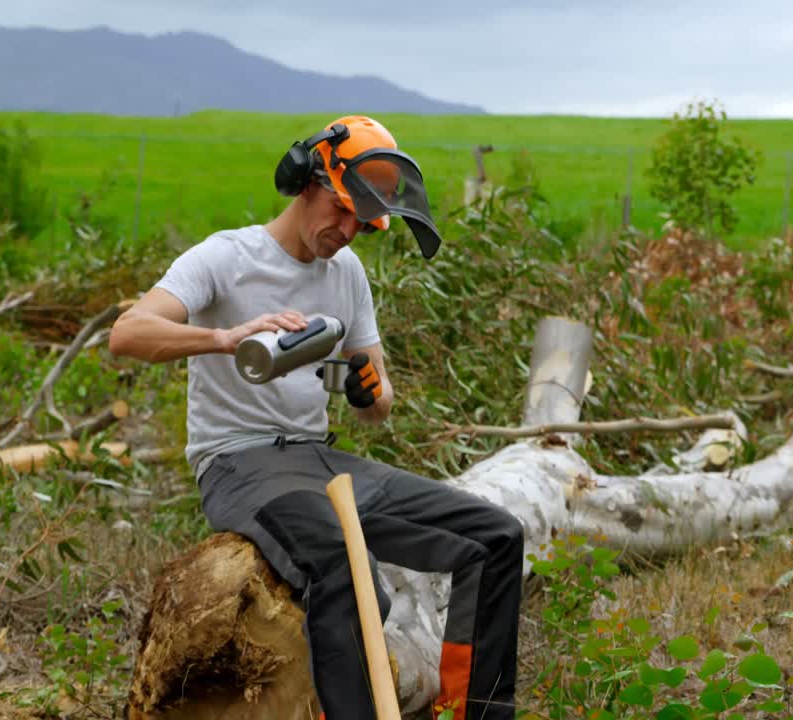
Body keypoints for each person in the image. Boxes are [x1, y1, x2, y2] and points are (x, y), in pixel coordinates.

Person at [108, 115, 523, 720]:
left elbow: (380, 406)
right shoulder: (228, 257)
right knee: (346, 573)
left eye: (364, 222)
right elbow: (128, 334)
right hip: (238, 463)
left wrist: (366, 389)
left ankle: (480, 715)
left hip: (319, 458)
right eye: (341, 209)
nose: (348, 230)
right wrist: (227, 338)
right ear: (305, 181)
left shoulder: (346, 274)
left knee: (494, 538)